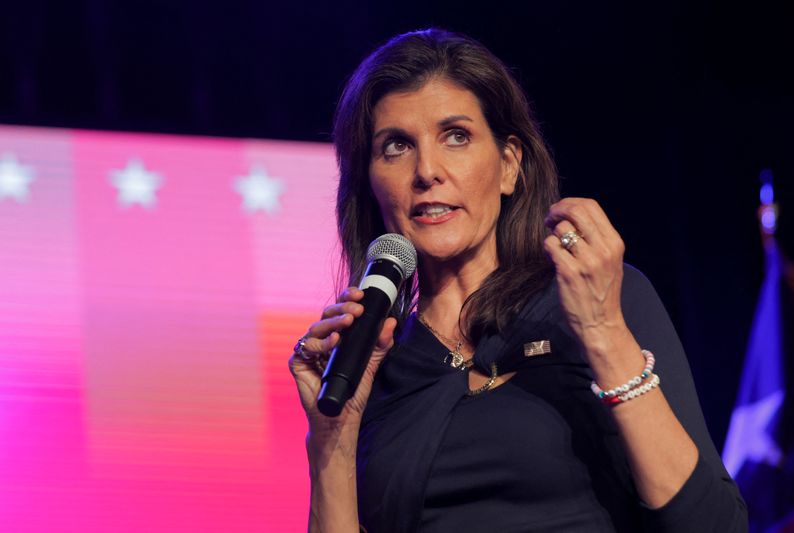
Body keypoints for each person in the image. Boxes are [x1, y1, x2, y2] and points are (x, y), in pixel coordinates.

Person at [289, 28, 747, 532]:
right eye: (396, 146)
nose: (427, 171)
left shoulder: (596, 303)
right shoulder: (370, 366)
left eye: (456, 136)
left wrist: (602, 332)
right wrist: (332, 433)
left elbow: (714, 524)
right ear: (369, 183)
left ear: (509, 167)